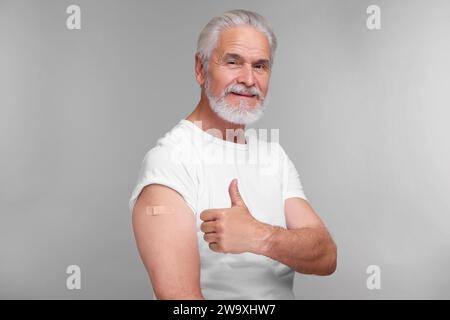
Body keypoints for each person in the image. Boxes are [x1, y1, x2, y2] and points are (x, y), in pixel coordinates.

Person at [129, 9, 337, 300]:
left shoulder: (272, 155)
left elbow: (325, 255)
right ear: (201, 69)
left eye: (260, 66)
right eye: (233, 62)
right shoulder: (170, 161)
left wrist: (259, 237)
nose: (249, 79)